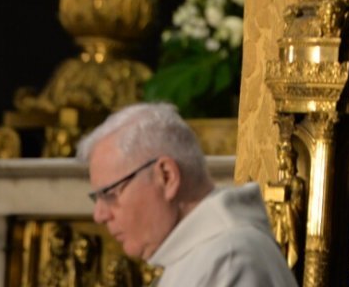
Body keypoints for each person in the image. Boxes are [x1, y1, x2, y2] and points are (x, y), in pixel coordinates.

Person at [76, 102, 297, 287]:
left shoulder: (228, 259)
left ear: (166, 176)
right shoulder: (199, 254)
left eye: (109, 194)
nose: (99, 215)